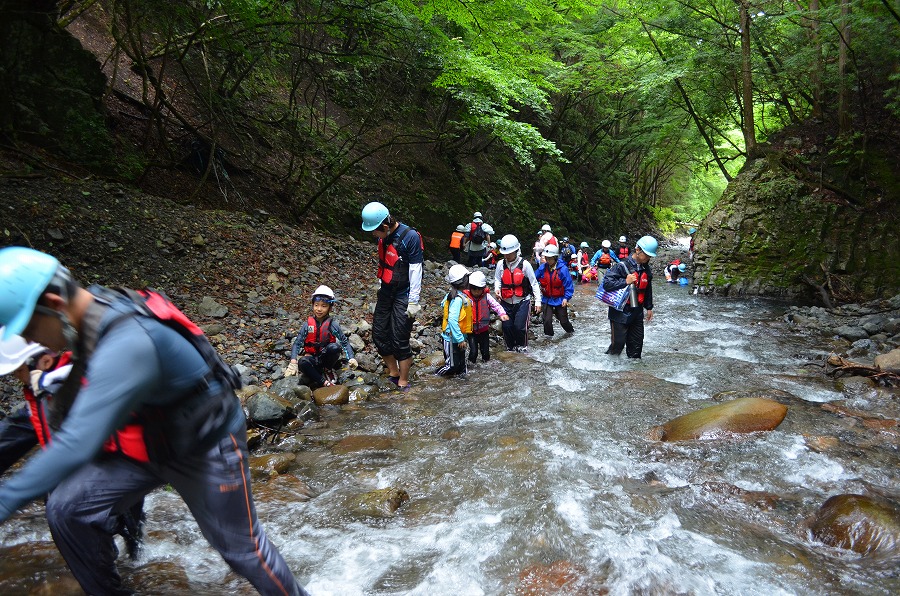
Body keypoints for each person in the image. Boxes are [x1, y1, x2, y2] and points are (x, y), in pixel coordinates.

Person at [0, 246, 307, 596]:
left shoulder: (129, 340)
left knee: (243, 552)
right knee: (69, 509)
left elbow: (77, 442)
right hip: (148, 446)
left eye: (26, 329)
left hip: (206, 447)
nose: (28, 342)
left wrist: (6, 500)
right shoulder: (92, 315)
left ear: (55, 305)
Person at [0, 334, 147, 560]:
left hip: (112, 479)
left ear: (44, 362)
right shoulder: (37, 395)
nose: (17, 378)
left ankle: (126, 568)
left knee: (126, 540)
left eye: (18, 371)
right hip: (76, 485)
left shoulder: (81, 385)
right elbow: (11, 436)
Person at [361, 201, 424, 392]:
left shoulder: (410, 237)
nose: (373, 235)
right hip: (387, 291)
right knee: (379, 334)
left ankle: (404, 381)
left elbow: (416, 270)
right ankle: (393, 371)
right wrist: (381, 285)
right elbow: (385, 263)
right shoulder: (384, 237)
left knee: (399, 338)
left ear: (386, 227)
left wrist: (413, 301)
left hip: (404, 293)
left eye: (375, 231)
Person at [285, 285, 358, 388]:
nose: (319, 309)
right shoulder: (307, 325)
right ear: (313, 305)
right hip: (312, 359)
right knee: (302, 362)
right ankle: (324, 382)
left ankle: (328, 370)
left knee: (335, 347)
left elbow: (344, 342)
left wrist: (351, 358)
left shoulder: (333, 325)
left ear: (330, 307)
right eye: (316, 305)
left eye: (323, 306)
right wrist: (293, 361)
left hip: (326, 357)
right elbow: (297, 343)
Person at [601, 235, 656, 358]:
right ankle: (609, 369)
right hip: (620, 311)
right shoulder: (621, 265)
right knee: (618, 345)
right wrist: (625, 282)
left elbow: (647, 288)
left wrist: (649, 307)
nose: (648, 258)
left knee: (636, 346)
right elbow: (607, 284)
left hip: (637, 311)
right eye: (646, 255)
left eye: (650, 256)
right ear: (638, 250)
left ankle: (634, 374)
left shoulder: (646, 269)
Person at [494, 234, 541, 352]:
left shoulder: (525, 265)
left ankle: (523, 349)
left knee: (519, 327)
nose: (506, 255)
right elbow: (497, 280)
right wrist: (497, 289)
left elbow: (534, 283)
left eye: (509, 253)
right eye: (505, 253)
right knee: (507, 327)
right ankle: (510, 351)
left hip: (522, 301)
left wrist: (538, 301)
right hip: (505, 301)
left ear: (516, 250)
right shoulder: (500, 264)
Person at [435, 264, 472, 377]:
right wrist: (460, 339)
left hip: (459, 337)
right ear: (464, 281)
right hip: (452, 338)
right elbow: (452, 320)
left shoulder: (458, 296)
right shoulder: (456, 299)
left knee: (461, 366)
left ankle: (463, 385)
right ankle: (435, 376)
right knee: (451, 365)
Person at [464, 270, 508, 363]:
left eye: (479, 289)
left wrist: (502, 314)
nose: (476, 292)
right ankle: (470, 369)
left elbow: (496, 305)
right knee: (473, 352)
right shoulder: (465, 298)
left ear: (483, 288)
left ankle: (485, 368)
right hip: (471, 330)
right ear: (470, 287)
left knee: (486, 353)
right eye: (474, 289)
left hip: (484, 330)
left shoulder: (487, 296)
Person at [534, 244, 575, 337]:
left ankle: (571, 333)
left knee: (563, 321)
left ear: (555, 258)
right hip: (547, 298)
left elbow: (568, 285)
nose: (547, 261)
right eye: (546, 258)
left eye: (550, 258)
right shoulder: (543, 268)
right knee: (547, 321)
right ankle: (549, 339)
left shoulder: (563, 269)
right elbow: (533, 278)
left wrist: (566, 298)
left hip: (560, 298)